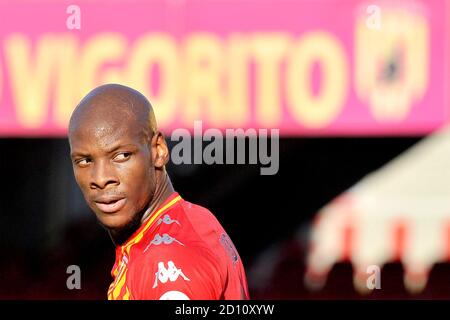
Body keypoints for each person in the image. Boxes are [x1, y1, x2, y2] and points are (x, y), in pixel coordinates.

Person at [68, 84, 249, 300]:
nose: (100, 178)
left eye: (122, 155)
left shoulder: (166, 263)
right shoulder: (192, 220)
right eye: (85, 161)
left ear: (158, 151)